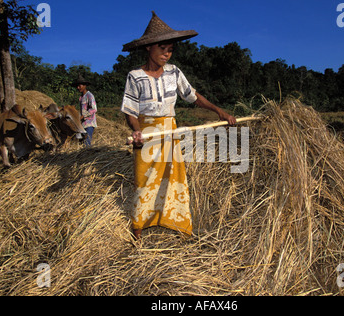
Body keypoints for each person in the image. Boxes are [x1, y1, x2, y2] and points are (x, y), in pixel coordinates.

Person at [121, 11, 236, 240]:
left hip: (170, 131)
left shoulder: (174, 72)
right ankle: (139, 226)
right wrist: (136, 130)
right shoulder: (135, 76)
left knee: (173, 176)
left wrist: (219, 111)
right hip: (147, 134)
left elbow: (192, 95)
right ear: (148, 47)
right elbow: (130, 110)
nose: (166, 53)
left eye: (170, 49)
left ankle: (175, 221)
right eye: (162, 48)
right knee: (144, 179)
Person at [74, 75, 97, 146]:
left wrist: (83, 116)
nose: (78, 88)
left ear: (85, 86)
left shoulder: (89, 95)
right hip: (83, 124)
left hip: (89, 123)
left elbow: (94, 109)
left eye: (80, 86)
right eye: (77, 86)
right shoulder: (81, 97)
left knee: (87, 143)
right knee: (81, 143)